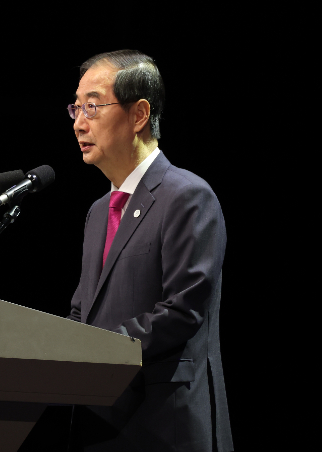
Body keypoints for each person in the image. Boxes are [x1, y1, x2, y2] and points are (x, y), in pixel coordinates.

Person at [67, 50, 233, 452]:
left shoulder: (187, 196)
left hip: (162, 427)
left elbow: (182, 310)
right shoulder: (97, 212)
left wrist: (95, 351)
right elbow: (82, 310)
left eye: (92, 106)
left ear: (139, 115)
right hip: (98, 425)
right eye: (75, 108)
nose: (78, 122)